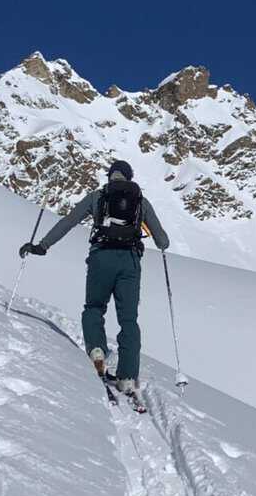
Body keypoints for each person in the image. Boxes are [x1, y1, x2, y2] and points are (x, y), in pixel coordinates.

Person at [19, 160, 170, 399]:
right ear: (129, 178)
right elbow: (162, 240)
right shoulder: (140, 200)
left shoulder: (98, 197)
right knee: (129, 320)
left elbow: (68, 222)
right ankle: (128, 378)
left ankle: (97, 350)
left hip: (101, 257)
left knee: (94, 307)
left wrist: (43, 246)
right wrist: (157, 240)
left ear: (110, 176)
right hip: (130, 262)